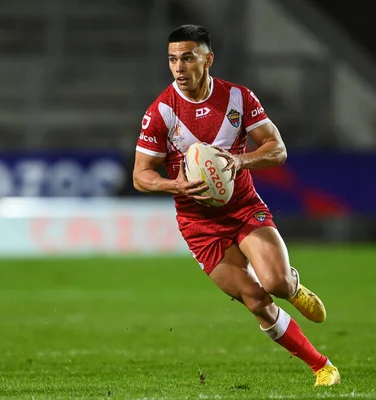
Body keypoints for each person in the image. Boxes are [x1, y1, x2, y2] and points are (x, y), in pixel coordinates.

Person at [132, 24, 340, 386]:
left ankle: (292, 286)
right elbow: (140, 175)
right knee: (256, 300)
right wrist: (174, 184)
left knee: (275, 283)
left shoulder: (239, 99)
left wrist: (242, 161)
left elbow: (278, 149)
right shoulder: (161, 112)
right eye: (172, 60)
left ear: (208, 59)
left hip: (243, 207)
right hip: (199, 225)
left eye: (187, 58)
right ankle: (322, 366)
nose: (179, 68)